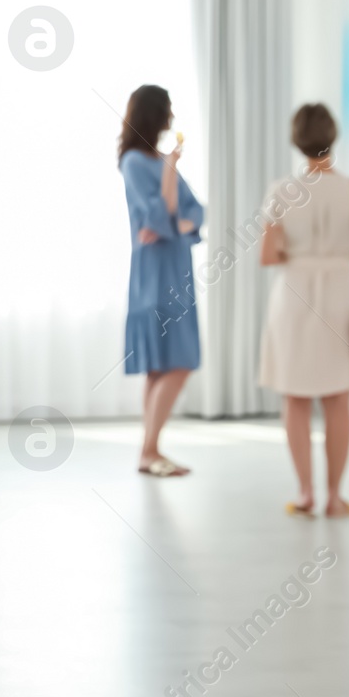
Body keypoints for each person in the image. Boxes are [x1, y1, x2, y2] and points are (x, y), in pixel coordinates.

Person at [259, 103, 349, 518]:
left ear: (297, 141)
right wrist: (342, 251)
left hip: (293, 294)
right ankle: (334, 496)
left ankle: (305, 492)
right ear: (334, 136)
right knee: (338, 399)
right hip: (340, 293)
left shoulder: (280, 190)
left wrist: (303, 251)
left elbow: (269, 257)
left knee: (294, 398)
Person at [118, 84, 204, 478]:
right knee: (173, 362)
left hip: (177, 271)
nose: (172, 116)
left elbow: (194, 213)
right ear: (156, 114)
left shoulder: (160, 160)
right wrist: (169, 180)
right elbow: (157, 216)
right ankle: (149, 451)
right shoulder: (136, 162)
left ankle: (150, 450)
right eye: (167, 109)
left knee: (165, 364)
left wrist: (173, 223)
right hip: (154, 277)